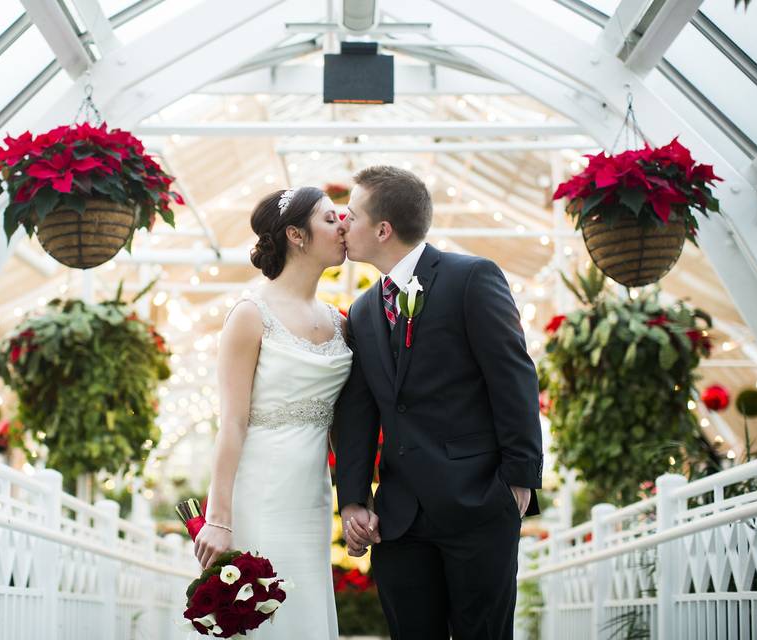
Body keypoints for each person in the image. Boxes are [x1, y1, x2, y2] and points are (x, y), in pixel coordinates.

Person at [334, 165, 543, 639]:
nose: (342, 224)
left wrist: (519, 481)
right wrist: (352, 500)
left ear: (383, 230)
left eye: (350, 215)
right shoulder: (365, 310)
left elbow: (513, 377)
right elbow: (359, 413)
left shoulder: (470, 278)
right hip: (399, 519)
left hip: (479, 503)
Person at [192, 186, 351, 638]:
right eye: (330, 219)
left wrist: (358, 499)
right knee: (264, 615)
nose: (343, 226)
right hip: (261, 492)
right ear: (296, 235)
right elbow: (232, 422)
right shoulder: (250, 314)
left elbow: (344, 422)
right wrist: (218, 518)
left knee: (305, 609)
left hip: (314, 499)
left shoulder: (341, 323)